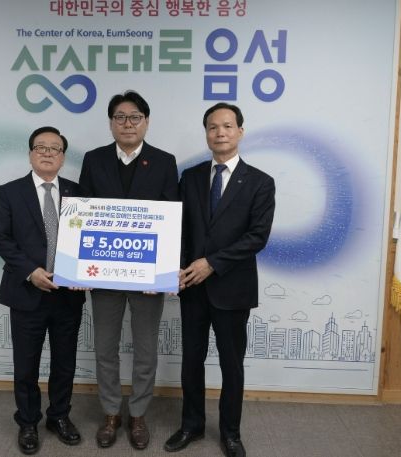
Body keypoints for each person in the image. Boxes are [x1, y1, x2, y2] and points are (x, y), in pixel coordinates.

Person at [164, 103, 275, 457]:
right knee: (191, 361)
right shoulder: (191, 177)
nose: (220, 132)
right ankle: (191, 425)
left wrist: (212, 263)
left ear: (240, 131)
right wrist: (177, 267)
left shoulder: (260, 182)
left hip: (232, 288)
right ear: (207, 134)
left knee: (231, 365)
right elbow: (179, 229)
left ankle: (231, 433)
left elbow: (257, 237)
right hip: (192, 287)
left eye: (227, 126)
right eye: (213, 127)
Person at [78, 90, 179, 449]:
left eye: (135, 117)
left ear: (146, 122)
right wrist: (79, 268)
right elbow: (83, 213)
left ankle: (137, 414)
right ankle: (110, 413)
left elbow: (172, 219)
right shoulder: (94, 160)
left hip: (147, 278)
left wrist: (162, 272)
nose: (127, 123)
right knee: (105, 348)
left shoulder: (164, 162)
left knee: (145, 350)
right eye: (120, 117)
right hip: (104, 275)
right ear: (111, 123)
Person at [0, 126, 85, 455]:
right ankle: (28, 421)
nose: (47, 153)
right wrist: (31, 272)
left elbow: (88, 239)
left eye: (54, 148)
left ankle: (59, 416)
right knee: (26, 364)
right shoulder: (9, 192)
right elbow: (2, 238)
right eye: (40, 147)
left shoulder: (78, 193)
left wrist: (86, 269)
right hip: (27, 292)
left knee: (65, 362)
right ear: (30, 153)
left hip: (68, 294)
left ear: (63, 157)